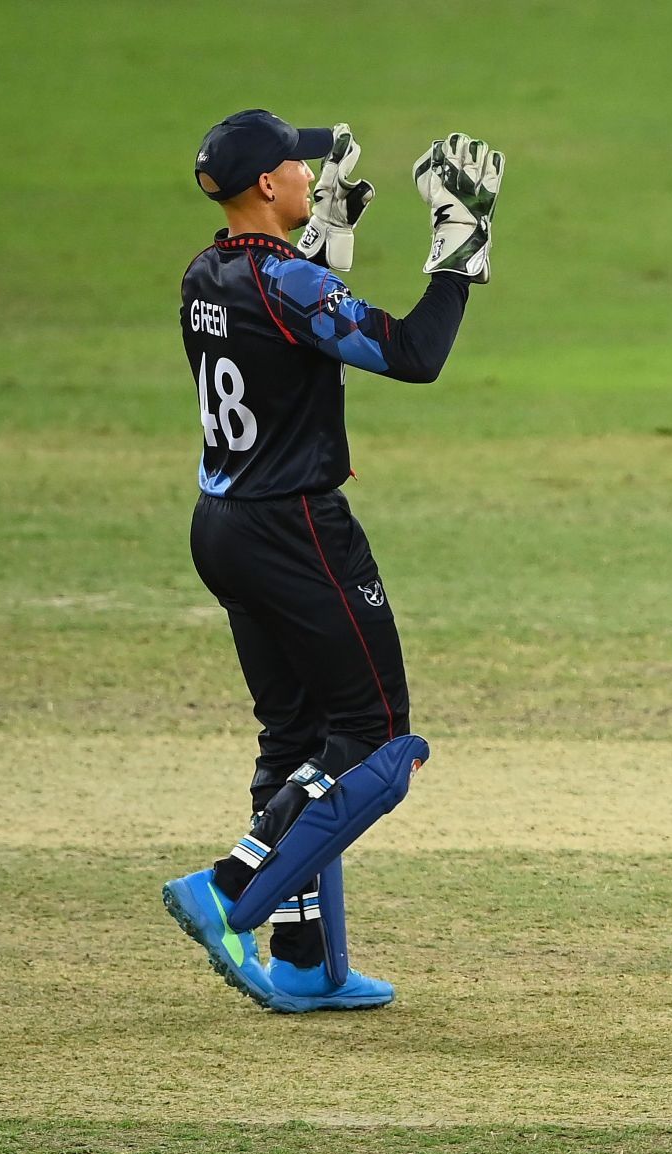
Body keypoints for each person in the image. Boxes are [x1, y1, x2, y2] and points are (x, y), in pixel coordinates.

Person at [161, 109, 502, 1012]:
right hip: (296, 529)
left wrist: (328, 231)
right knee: (377, 739)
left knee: (297, 740)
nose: (314, 170)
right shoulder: (282, 282)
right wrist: (460, 242)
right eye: (299, 166)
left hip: (224, 525)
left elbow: (286, 303)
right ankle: (232, 887)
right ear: (268, 187)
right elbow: (412, 353)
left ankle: (306, 959)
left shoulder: (207, 270)